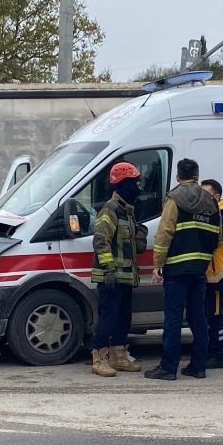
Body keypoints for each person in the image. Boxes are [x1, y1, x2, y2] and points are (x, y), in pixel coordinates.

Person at [144, 158, 220, 381]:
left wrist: (158, 264)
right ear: (197, 175)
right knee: (199, 319)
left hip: (176, 269)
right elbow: (216, 237)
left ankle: (168, 368)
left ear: (178, 177)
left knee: (173, 320)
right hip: (199, 269)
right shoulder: (210, 200)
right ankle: (198, 367)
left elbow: (164, 233)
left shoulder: (174, 198)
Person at [89, 162, 144, 377]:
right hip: (111, 277)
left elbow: (131, 246)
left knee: (124, 317)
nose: (139, 187)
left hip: (126, 277)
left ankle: (118, 356)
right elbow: (101, 241)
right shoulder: (110, 210)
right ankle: (99, 358)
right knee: (108, 318)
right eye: (135, 182)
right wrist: (109, 270)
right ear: (124, 184)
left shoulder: (127, 211)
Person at [201, 179, 223, 369]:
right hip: (210, 274)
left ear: (216, 196)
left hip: (219, 274)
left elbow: (219, 235)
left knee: (215, 316)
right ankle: (210, 351)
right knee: (208, 315)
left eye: (205, 194)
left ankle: (219, 354)